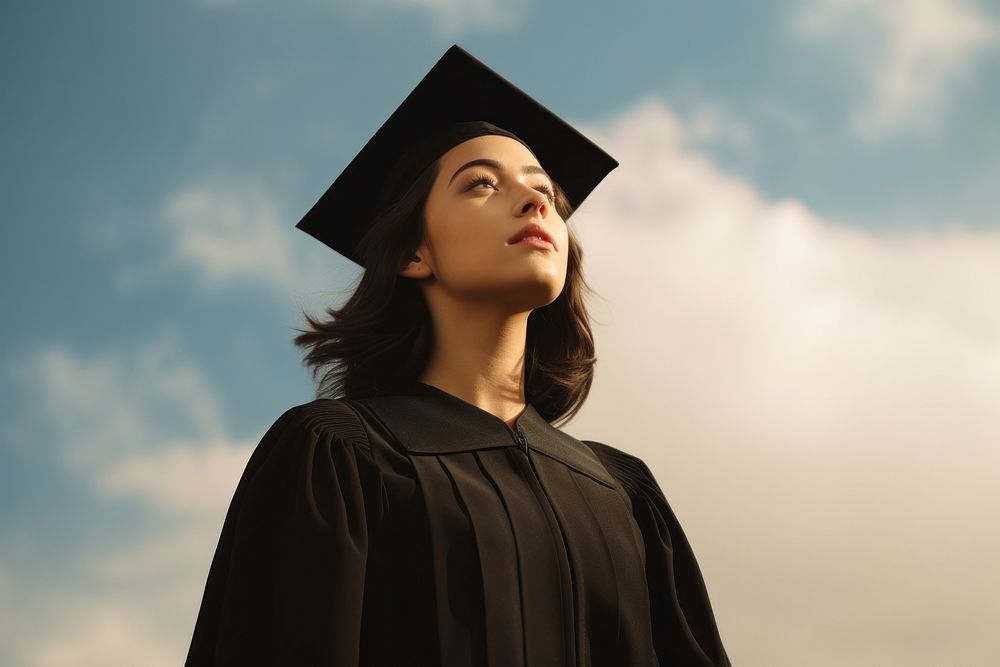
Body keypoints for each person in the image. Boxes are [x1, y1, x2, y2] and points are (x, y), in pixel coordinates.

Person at [185, 44, 732, 666]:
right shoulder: (338, 457)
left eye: (544, 189)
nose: (537, 203)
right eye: (482, 183)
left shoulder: (624, 495)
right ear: (415, 254)